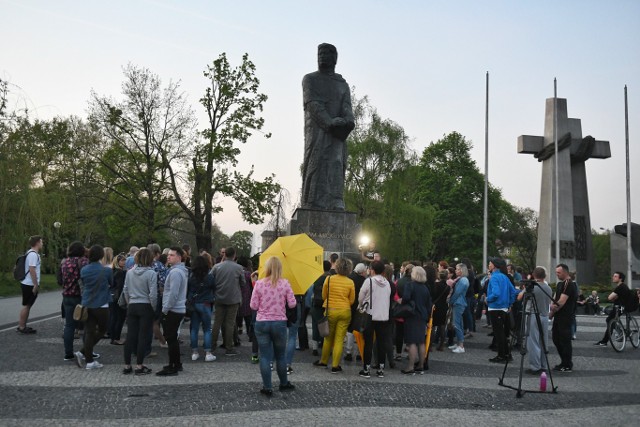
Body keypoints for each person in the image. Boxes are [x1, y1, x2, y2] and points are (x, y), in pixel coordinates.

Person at [300, 43, 355, 211]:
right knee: (316, 163)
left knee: (337, 163)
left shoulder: (342, 84)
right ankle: (312, 202)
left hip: (338, 134)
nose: (322, 56)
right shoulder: (310, 79)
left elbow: (347, 107)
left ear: (335, 58)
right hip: (317, 131)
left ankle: (335, 199)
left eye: (326, 53)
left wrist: (349, 122)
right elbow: (312, 104)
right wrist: (329, 122)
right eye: (320, 53)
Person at [250, 256, 296, 396]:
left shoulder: (259, 284)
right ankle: (283, 383)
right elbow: (293, 304)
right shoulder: (285, 283)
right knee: (280, 356)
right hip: (279, 322)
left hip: (262, 323)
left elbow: (253, 305)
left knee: (264, 356)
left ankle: (267, 387)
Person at [313, 258, 355, 373]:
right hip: (345, 311)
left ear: (336, 267)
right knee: (339, 339)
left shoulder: (329, 279)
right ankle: (335, 365)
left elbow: (324, 295)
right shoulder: (350, 282)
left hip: (330, 310)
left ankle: (324, 361)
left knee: (328, 338)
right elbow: (352, 300)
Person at [75, 245, 113, 370]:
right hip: (101, 304)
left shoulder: (84, 270)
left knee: (89, 331)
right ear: (101, 256)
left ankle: (89, 361)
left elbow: (85, 283)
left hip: (87, 303)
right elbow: (111, 283)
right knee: (102, 330)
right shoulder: (106, 270)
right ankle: (83, 352)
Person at [122, 248, 157, 375]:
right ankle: (139, 365)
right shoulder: (151, 273)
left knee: (130, 336)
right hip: (145, 305)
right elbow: (153, 294)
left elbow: (125, 290)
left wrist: (129, 302)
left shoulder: (129, 272)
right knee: (143, 336)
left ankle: (126, 365)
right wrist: (153, 307)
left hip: (132, 304)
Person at [156, 247, 189, 376]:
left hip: (173, 309)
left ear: (179, 257)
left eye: (172, 255)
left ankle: (173, 366)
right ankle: (176, 363)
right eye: (168, 255)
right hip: (177, 308)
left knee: (171, 338)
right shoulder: (179, 271)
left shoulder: (175, 272)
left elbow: (173, 293)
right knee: (172, 337)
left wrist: (165, 309)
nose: (169, 257)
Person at [358, 260, 391, 379]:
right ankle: (381, 369)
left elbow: (361, 296)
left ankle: (366, 369)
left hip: (370, 314)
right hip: (383, 316)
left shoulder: (369, 281)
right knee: (382, 343)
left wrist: (361, 304)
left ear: (372, 269)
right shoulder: (387, 283)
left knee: (368, 343)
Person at [211, 247, 246, 356]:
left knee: (217, 322)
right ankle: (229, 347)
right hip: (233, 299)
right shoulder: (239, 268)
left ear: (224, 255)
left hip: (219, 298)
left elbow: (210, 280)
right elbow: (243, 283)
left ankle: (212, 345)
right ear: (234, 255)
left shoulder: (216, 267)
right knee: (230, 323)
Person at [517, 266, 552, 375]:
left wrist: (525, 287)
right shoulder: (548, 288)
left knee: (533, 341)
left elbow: (519, 297)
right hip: (544, 316)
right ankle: (543, 365)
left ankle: (535, 366)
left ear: (534, 275)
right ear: (544, 276)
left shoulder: (532, 288)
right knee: (543, 341)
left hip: (533, 315)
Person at [60, 241, 89, 360]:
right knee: (88, 325)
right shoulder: (83, 261)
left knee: (69, 325)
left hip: (67, 296)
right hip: (80, 296)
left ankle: (68, 353)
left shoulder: (64, 262)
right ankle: (87, 351)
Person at [400, 266, 432, 374]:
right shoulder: (425, 288)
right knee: (421, 342)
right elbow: (429, 304)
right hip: (422, 316)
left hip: (412, 315)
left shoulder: (410, 285)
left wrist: (401, 301)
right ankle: (421, 365)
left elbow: (405, 299)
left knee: (412, 342)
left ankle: (410, 367)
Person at [486, 257, 518, 363]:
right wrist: (509, 304)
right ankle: (506, 354)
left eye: (490, 263)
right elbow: (513, 292)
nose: (489, 265)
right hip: (503, 308)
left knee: (499, 333)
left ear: (494, 265)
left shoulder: (494, 277)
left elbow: (496, 293)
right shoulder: (505, 277)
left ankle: (502, 355)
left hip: (495, 307)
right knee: (502, 333)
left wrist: (487, 299)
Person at [549, 263, 578, 372]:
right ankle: (564, 362)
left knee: (565, 341)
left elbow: (561, 302)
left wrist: (552, 309)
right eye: (556, 272)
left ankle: (567, 364)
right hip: (558, 316)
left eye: (559, 272)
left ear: (565, 272)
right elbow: (555, 299)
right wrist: (551, 314)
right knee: (556, 339)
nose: (557, 274)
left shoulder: (569, 284)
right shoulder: (560, 284)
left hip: (566, 317)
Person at [188, 255, 216, 362]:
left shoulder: (191, 276)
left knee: (194, 329)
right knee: (207, 329)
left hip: (194, 304)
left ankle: (194, 352)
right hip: (206, 304)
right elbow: (214, 288)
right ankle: (208, 353)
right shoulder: (209, 277)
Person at [594, 272, 631, 346]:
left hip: (618, 308)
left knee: (609, 320)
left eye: (615, 276)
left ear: (620, 279)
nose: (613, 277)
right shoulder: (624, 286)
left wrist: (614, 298)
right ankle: (620, 334)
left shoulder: (620, 287)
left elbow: (610, 297)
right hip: (623, 307)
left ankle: (605, 341)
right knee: (612, 320)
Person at [17, 235, 43, 334]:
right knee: (27, 305)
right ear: (37, 243)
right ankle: (22, 327)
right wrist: (35, 285)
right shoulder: (33, 254)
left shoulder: (30, 253)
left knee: (27, 305)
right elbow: (32, 270)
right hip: (29, 284)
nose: (42, 243)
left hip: (27, 283)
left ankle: (22, 325)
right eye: (41, 241)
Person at [344, 262, 367, 361]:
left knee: (349, 330)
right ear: (362, 272)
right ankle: (359, 352)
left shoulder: (348, 278)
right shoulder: (364, 281)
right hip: (360, 308)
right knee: (359, 330)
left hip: (349, 306)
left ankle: (348, 352)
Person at [310, 261, 331, 355]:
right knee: (327, 326)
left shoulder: (316, 278)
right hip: (328, 305)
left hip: (316, 304)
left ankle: (314, 348)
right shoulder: (331, 278)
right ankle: (326, 346)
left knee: (315, 325)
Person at [449, 263, 469, 354]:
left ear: (461, 270)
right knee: (458, 324)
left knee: (456, 324)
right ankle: (459, 343)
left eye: (457, 269)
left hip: (458, 303)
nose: (455, 271)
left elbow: (457, 293)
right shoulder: (462, 279)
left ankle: (461, 346)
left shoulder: (463, 280)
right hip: (459, 303)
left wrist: (450, 301)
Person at [108, 253, 127, 345]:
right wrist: (122, 299)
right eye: (122, 260)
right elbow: (120, 287)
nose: (124, 262)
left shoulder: (112, 271)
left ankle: (112, 337)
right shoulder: (120, 272)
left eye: (124, 260)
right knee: (119, 318)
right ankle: (116, 337)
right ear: (117, 261)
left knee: (112, 317)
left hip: (111, 296)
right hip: (117, 297)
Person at [431, 269, 450, 351]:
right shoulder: (448, 287)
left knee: (432, 326)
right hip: (443, 306)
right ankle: (441, 345)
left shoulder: (435, 285)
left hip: (435, 306)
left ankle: (430, 345)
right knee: (442, 326)